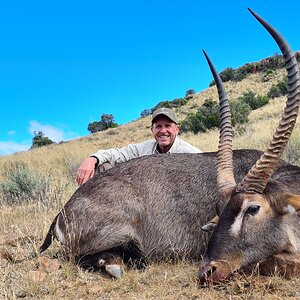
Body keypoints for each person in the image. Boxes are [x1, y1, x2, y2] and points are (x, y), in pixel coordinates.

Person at [76, 107, 202, 185]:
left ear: (177, 129)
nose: (163, 131)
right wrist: (92, 159)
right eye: (158, 126)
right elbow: (117, 154)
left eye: (168, 126)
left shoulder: (191, 153)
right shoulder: (143, 149)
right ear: (152, 130)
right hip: (144, 198)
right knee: (101, 167)